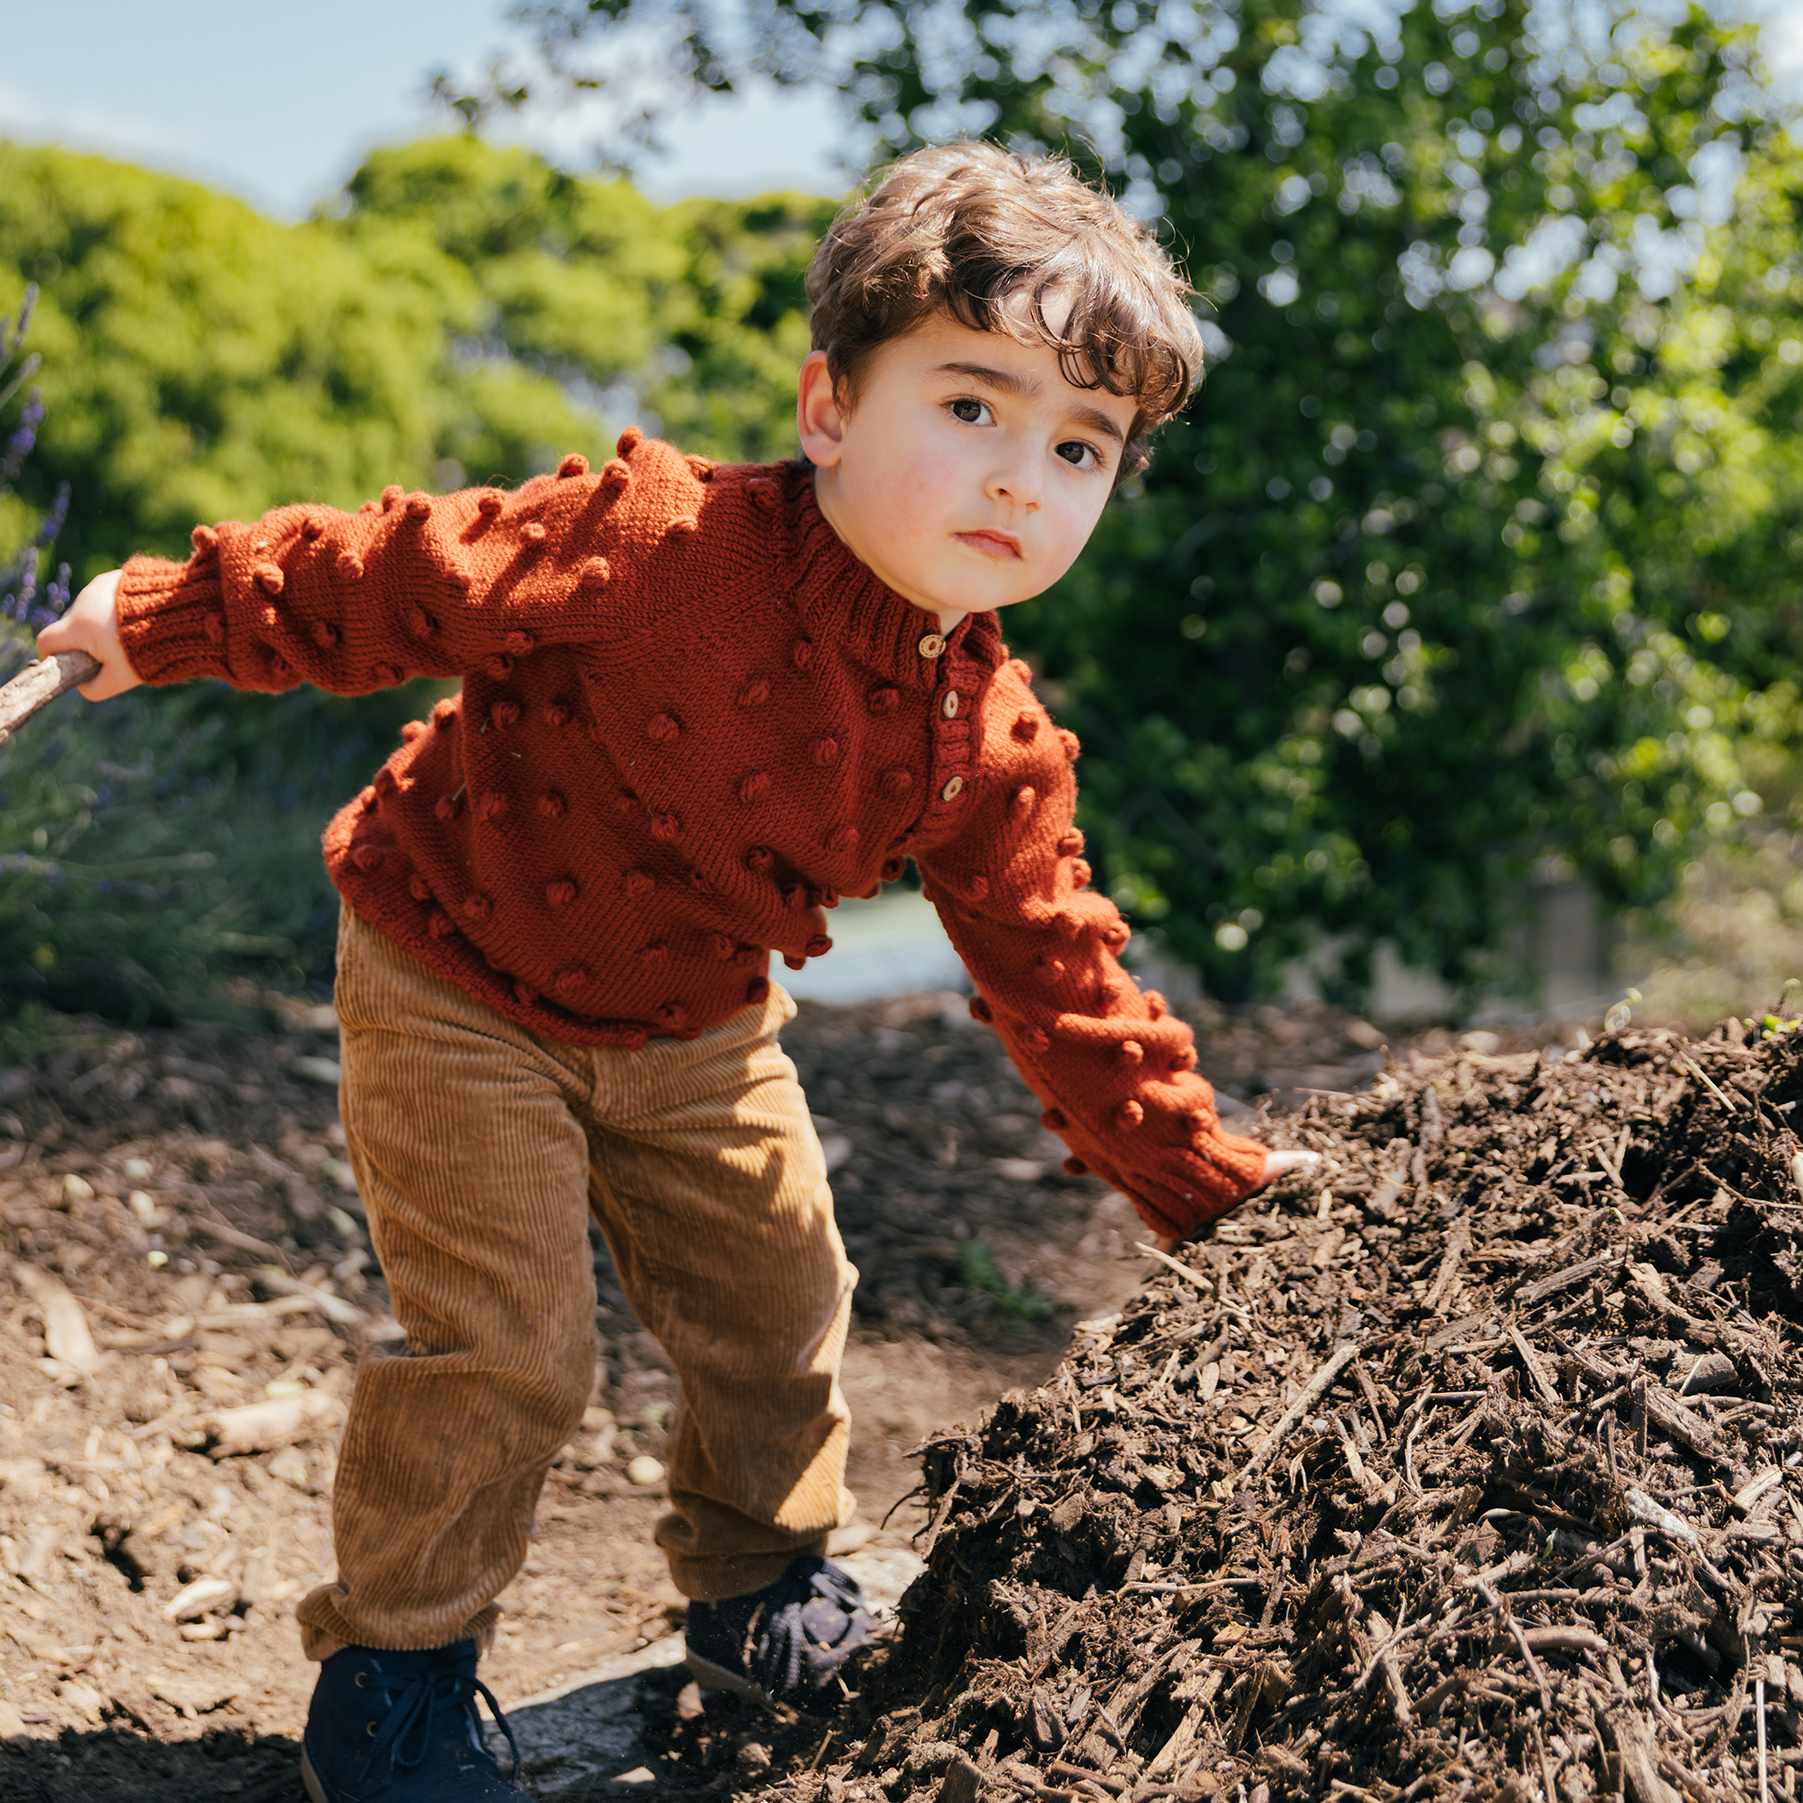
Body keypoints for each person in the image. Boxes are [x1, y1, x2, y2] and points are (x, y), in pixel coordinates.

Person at [41, 140, 1314, 1803]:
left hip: (696, 1017)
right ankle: (397, 1676)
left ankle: (760, 1586)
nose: (1023, 475)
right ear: (828, 407)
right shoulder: (653, 543)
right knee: (511, 1346)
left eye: (1080, 445)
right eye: (972, 407)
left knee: (781, 1300)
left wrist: (1209, 1188)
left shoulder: (984, 742)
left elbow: (1061, 985)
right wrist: (171, 614)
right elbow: (401, 569)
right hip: (456, 968)